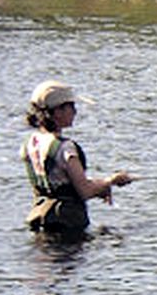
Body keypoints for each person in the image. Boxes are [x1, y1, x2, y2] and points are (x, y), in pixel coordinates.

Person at [20, 79, 133, 236]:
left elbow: (62, 182)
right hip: (67, 224)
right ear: (57, 111)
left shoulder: (30, 143)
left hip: (40, 218)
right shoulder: (66, 148)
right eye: (71, 107)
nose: (75, 112)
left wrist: (100, 186)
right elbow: (84, 191)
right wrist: (112, 181)